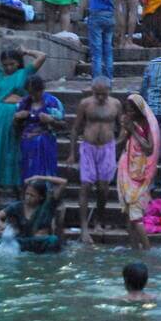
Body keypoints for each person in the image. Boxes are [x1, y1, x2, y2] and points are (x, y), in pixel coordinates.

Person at [0, 42, 45, 204]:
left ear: (18, 63)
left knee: (14, 151)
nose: (8, 68)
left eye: (12, 64)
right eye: (5, 65)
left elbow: (42, 56)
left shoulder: (25, 72)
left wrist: (26, 51)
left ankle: (17, 191)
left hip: (17, 116)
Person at [68, 77, 123, 244]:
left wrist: (117, 145)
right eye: (97, 94)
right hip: (88, 147)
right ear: (92, 91)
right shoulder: (85, 104)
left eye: (103, 94)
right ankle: (84, 227)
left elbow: (122, 127)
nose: (100, 97)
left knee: (103, 188)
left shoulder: (116, 104)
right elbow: (76, 128)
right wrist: (72, 153)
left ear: (109, 91)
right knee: (85, 185)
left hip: (107, 148)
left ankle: (99, 220)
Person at [115, 93, 160, 250]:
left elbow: (149, 148)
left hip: (141, 169)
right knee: (128, 211)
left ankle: (147, 249)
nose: (130, 113)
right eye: (128, 110)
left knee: (136, 213)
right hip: (126, 166)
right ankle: (134, 248)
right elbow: (120, 141)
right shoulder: (128, 121)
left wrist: (133, 131)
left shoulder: (148, 124)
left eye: (133, 110)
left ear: (140, 109)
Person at [75, 0, 122, 81]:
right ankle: (109, 78)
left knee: (96, 52)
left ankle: (97, 80)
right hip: (110, 14)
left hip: (97, 13)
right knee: (108, 49)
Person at [0, 175, 67, 254]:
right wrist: (6, 228)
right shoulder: (17, 206)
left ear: (41, 197)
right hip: (22, 242)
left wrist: (39, 177)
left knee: (53, 240)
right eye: (27, 194)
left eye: (32, 195)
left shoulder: (47, 205)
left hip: (40, 242)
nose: (28, 197)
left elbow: (63, 182)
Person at [14, 75, 65, 182]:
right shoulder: (23, 103)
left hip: (45, 145)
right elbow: (15, 127)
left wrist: (51, 120)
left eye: (35, 92)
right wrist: (17, 118)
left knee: (45, 172)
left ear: (42, 89)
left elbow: (63, 125)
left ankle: (46, 196)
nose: (33, 96)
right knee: (27, 172)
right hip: (27, 145)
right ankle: (27, 196)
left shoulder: (52, 102)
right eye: (30, 93)